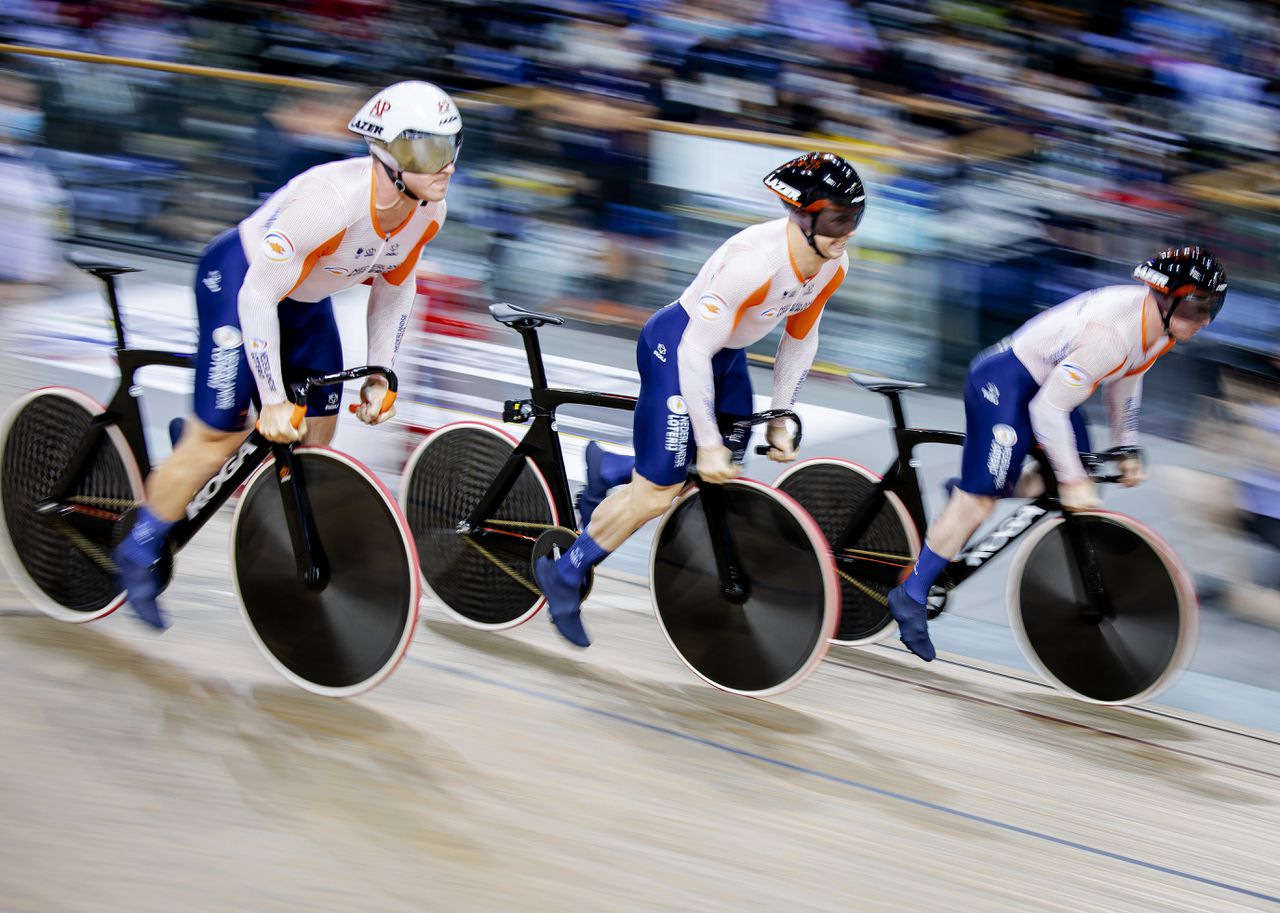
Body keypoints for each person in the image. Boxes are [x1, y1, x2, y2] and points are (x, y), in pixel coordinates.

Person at [113, 80, 463, 630]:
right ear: (388, 155)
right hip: (240, 282)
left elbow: (394, 289)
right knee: (224, 432)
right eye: (430, 151)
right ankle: (141, 542)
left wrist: (381, 372)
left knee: (318, 437)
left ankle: (244, 487)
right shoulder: (331, 203)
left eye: (453, 147)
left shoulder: (427, 212)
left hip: (302, 301)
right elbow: (256, 296)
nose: (446, 166)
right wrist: (271, 398)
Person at [534, 151, 864, 648]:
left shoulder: (831, 267)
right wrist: (705, 440)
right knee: (659, 493)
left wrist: (781, 416)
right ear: (803, 214)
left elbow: (800, 340)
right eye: (839, 218)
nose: (848, 232)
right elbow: (692, 353)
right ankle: (564, 572)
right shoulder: (756, 265)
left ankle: (611, 468)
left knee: (719, 471)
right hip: (679, 346)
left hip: (726, 354)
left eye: (856, 217)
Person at [887, 246, 1229, 662]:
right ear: (1165, 295)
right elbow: (1046, 410)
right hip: (1007, 382)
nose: (1205, 320)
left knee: (1072, 473)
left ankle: (976, 484)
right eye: (1198, 307)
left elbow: (1126, 379)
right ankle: (911, 592)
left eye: (1211, 307)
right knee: (992, 499)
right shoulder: (1113, 332)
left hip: (1051, 388)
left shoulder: (1161, 328)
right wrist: (1073, 480)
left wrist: (1125, 444)